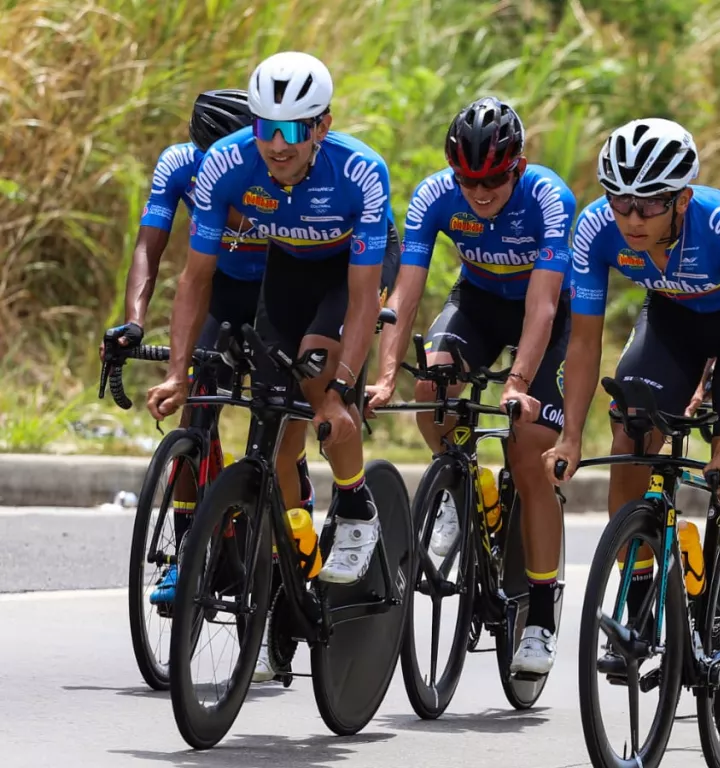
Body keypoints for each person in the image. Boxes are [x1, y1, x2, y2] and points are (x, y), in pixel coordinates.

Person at [144, 51, 398, 679]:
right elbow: (193, 277)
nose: (277, 145)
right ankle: (282, 582)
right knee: (276, 445)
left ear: (321, 125)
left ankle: (357, 505)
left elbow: (364, 297)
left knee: (316, 384)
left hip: (350, 273)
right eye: (266, 127)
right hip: (286, 271)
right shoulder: (227, 164)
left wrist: (340, 387)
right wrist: (178, 370)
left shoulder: (360, 171)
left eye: (293, 130)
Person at [544, 118, 720, 682]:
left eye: (648, 207)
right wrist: (570, 435)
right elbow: (582, 342)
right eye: (620, 202)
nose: (631, 219)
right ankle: (639, 596)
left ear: (681, 199)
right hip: (671, 321)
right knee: (629, 429)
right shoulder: (593, 230)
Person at [367, 96, 575, 677]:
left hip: (546, 314)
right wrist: (386, 376)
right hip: (479, 304)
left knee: (530, 450)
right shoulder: (435, 196)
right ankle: (463, 487)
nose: (481, 193)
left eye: (495, 180)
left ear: (520, 165)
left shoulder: (549, 199)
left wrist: (516, 383)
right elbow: (405, 294)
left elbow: (544, 304)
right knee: (433, 387)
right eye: (469, 181)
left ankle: (539, 616)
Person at [102, 89, 316, 608]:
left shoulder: (277, 166)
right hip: (219, 290)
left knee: (276, 418)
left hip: (276, 293)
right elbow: (148, 248)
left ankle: (284, 533)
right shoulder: (180, 163)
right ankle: (187, 552)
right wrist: (133, 322)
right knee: (195, 411)